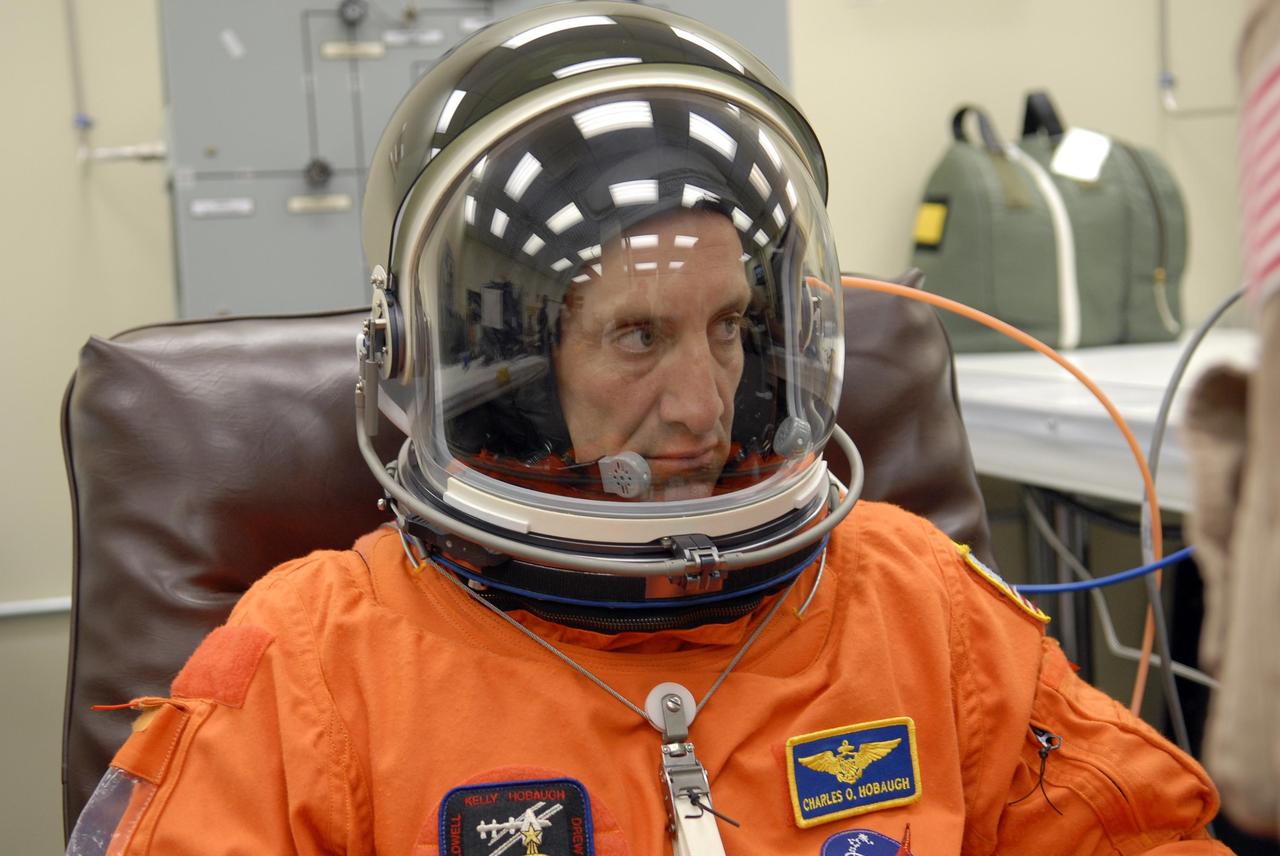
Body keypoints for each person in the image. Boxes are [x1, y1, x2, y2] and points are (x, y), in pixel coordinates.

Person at [68, 3, 1231, 854]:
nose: (700, 402)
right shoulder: (317, 659)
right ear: (505, 369)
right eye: (636, 337)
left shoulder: (915, 602)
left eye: (727, 327)